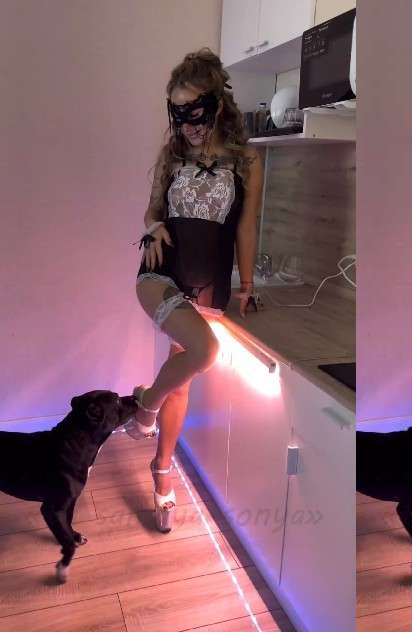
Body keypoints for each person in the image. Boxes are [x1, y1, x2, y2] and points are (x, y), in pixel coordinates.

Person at [127, 49, 264, 533]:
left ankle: (161, 468)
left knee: (182, 377)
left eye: (195, 111)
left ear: (217, 105)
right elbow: (151, 210)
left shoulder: (246, 160)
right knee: (204, 352)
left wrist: (246, 286)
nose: (187, 124)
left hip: (209, 283)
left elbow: (245, 228)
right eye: (178, 113)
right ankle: (146, 406)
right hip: (159, 271)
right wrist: (155, 226)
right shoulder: (172, 157)